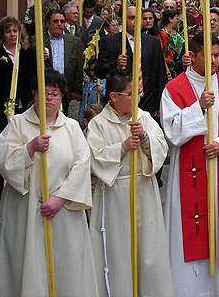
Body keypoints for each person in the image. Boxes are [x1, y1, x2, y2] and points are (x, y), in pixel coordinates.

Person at [160, 31, 219, 297]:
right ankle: (191, 290)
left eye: (217, 55)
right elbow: (172, 130)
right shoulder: (174, 89)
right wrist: (198, 107)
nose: (214, 61)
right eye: (208, 55)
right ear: (192, 55)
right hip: (188, 176)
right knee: (192, 231)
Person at [0, 69, 97, 296]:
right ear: (34, 94)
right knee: (27, 263)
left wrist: (60, 199)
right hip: (26, 208)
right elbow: (4, 159)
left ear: (62, 97)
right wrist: (30, 148)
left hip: (63, 210)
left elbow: (82, 164)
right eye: (44, 92)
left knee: (65, 265)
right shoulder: (18, 123)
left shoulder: (71, 128)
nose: (49, 98)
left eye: (55, 94)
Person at [87, 70, 173, 297]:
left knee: (147, 249)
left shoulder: (143, 118)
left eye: (137, 92)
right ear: (113, 96)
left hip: (143, 191)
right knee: (118, 251)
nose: (136, 98)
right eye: (129, 94)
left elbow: (161, 147)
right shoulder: (99, 124)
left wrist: (145, 138)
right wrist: (123, 147)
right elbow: (94, 157)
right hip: (115, 194)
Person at [0, 16, 36, 199]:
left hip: (24, 108)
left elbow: (34, 78)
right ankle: (0, 185)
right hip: (1, 110)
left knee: (22, 145)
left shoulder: (28, 53)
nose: (12, 35)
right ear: (1, 34)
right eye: (8, 31)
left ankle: (21, 181)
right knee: (4, 147)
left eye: (15, 31)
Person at [96, 6, 167, 119]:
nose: (136, 21)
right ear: (123, 20)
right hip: (120, 104)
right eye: (132, 18)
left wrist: (160, 103)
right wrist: (115, 64)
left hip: (148, 102)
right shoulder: (110, 42)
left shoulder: (153, 42)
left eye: (139, 17)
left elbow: (161, 75)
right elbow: (98, 71)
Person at [37, 9, 84, 114]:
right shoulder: (37, 40)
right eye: (55, 21)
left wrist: (76, 89)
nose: (59, 24)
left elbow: (78, 66)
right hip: (45, 87)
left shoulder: (75, 42)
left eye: (62, 21)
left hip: (65, 88)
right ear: (48, 23)